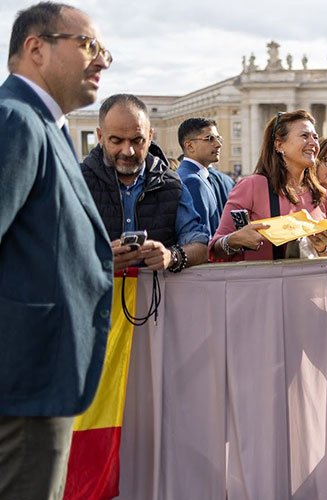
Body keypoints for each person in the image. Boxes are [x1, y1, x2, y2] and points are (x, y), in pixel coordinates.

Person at [0, 3, 113, 498]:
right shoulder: (16, 120)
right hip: (21, 383)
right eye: (88, 45)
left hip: (38, 381)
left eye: (105, 50)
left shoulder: (48, 127)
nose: (102, 60)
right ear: (36, 48)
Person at [81, 94, 209, 272]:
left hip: (156, 290)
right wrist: (97, 261)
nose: (128, 151)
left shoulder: (171, 185)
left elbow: (201, 246)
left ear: (149, 136)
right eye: (116, 141)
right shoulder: (76, 182)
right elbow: (52, 247)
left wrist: (172, 256)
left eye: (137, 140)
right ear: (100, 137)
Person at [210, 110, 327, 261]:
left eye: (315, 137)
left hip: (311, 276)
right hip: (263, 276)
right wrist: (234, 240)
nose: (314, 143)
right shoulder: (252, 186)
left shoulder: (322, 195)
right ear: (279, 145)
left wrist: (324, 248)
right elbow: (216, 250)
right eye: (305, 136)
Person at [176, 117, 235, 236]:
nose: (218, 145)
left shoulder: (197, 176)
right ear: (189, 146)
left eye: (218, 138)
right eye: (210, 139)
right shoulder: (192, 181)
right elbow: (203, 237)